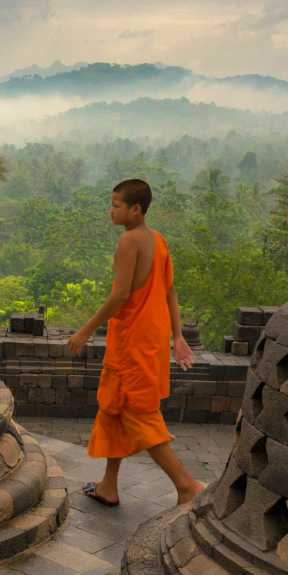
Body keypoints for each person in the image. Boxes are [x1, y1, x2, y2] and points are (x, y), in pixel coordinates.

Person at [66, 179, 204, 507]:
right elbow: (169, 290)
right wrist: (178, 335)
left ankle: (186, 486)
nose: (110, 210)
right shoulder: (157, 240)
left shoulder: (129, 240)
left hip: (133, 342)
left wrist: (85, 330)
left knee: (139, 413)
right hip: (150, 339)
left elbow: (121, 295)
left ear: (135, 209)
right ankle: (108, 487)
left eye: (115, 205)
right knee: (114, 407)